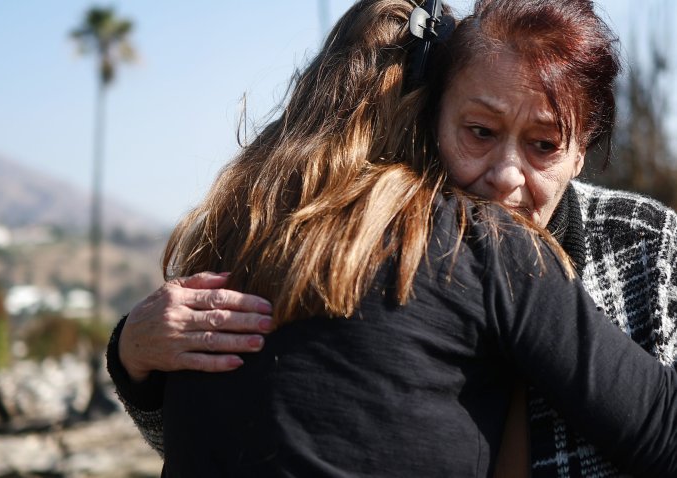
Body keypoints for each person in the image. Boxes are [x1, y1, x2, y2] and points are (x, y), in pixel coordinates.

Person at [108, 0, 677, 475]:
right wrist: (132, 354)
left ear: (584, 151)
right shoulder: (471, 242)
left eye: (544, 145)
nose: (507, 175)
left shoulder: (644, 247)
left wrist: (131, 361)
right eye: (479, 133)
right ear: (428, 119)